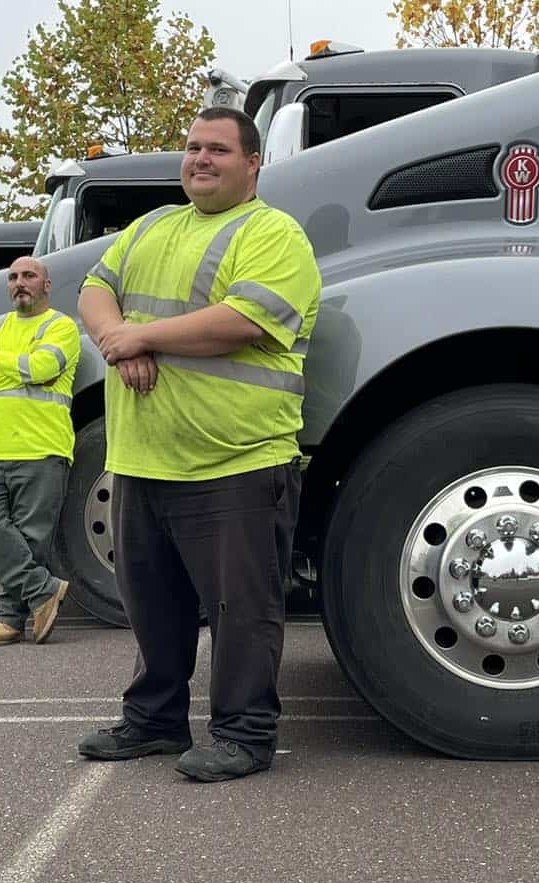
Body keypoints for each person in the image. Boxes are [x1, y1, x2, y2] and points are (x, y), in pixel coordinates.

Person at [75, 106, 321, 782]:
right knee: (154, 607)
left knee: (243, 612)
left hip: (235, 461)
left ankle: (244, 734)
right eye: (191, 148)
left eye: (217, 149)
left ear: (252, 164)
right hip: (143, 456)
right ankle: (154, 721)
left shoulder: (273, 233)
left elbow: (242, 321)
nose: (200, 159)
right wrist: (114, 339)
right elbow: (96, 290)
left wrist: (141, 336)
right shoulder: (152, 226)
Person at [0, 256, 81, 646]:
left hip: (43, 447)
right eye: (13, 277)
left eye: (29, 276)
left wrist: (1, 363)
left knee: (33, 538)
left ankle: (8, 619)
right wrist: (23, 364)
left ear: (46, 285)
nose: (20, 282)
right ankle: (43, 589)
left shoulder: (62, 327)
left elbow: (45, 368)